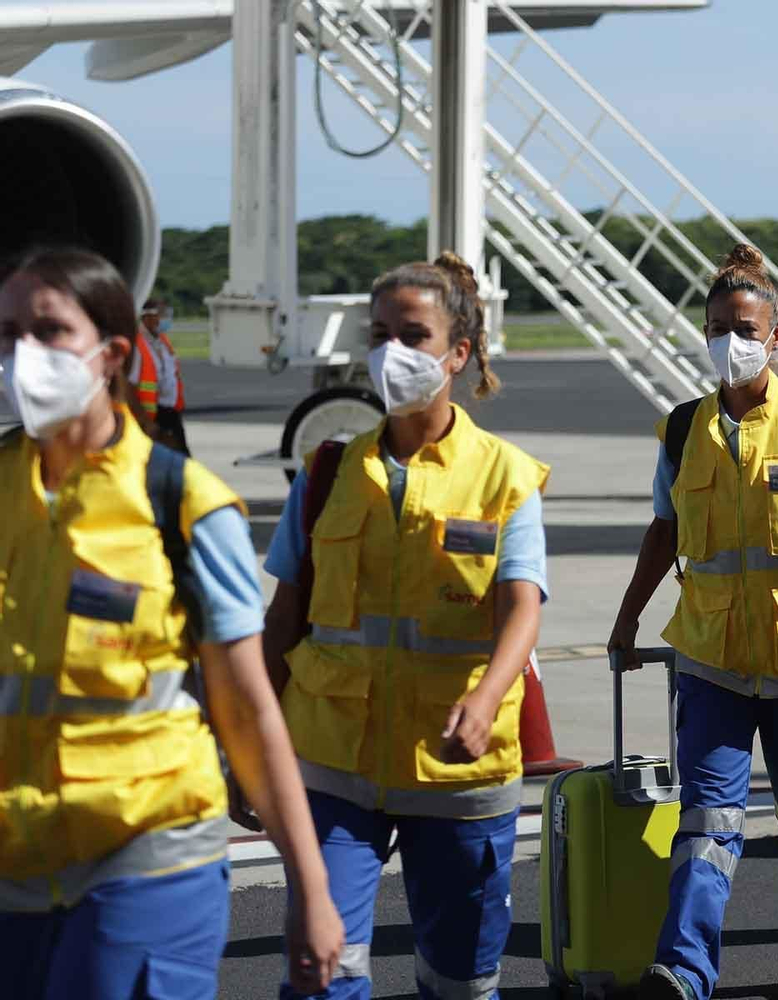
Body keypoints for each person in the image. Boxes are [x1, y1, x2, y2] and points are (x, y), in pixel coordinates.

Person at [0, 248, 343, 999]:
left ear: (112, 353)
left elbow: (248, 710)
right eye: (7, 333)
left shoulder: (183, 502)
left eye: (48, 331)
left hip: (147, 849)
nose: (23, 353)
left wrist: (311, 889)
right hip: (14, 858)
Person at [262, 253, 549, 1000]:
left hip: (458, 772)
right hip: (333, 763)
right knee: (321, 975)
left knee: (460, 983)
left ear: (458, 353)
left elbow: (522, 605)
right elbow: (283, 617)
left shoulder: (505, 476)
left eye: (413, 335)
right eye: (379, 334)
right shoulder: (326, 473)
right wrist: (248, 753)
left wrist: (484, 700)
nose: (391, 352)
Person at [610, 245, 778, 1000]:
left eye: (746, 329)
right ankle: (685, 968)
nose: (731, 342)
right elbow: (663, 531)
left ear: (776, 337)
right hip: (712, 661)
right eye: (718, 328)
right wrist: (628, 616)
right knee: (706, 823)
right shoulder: (682, 429)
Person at [136, 297, 188, 454]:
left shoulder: (163, 342)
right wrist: (144, 420)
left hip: (171, 412)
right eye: (162, 314)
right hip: (151, 415)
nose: (166, 319)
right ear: (147, 317)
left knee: (181, 457)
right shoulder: (137, 345)